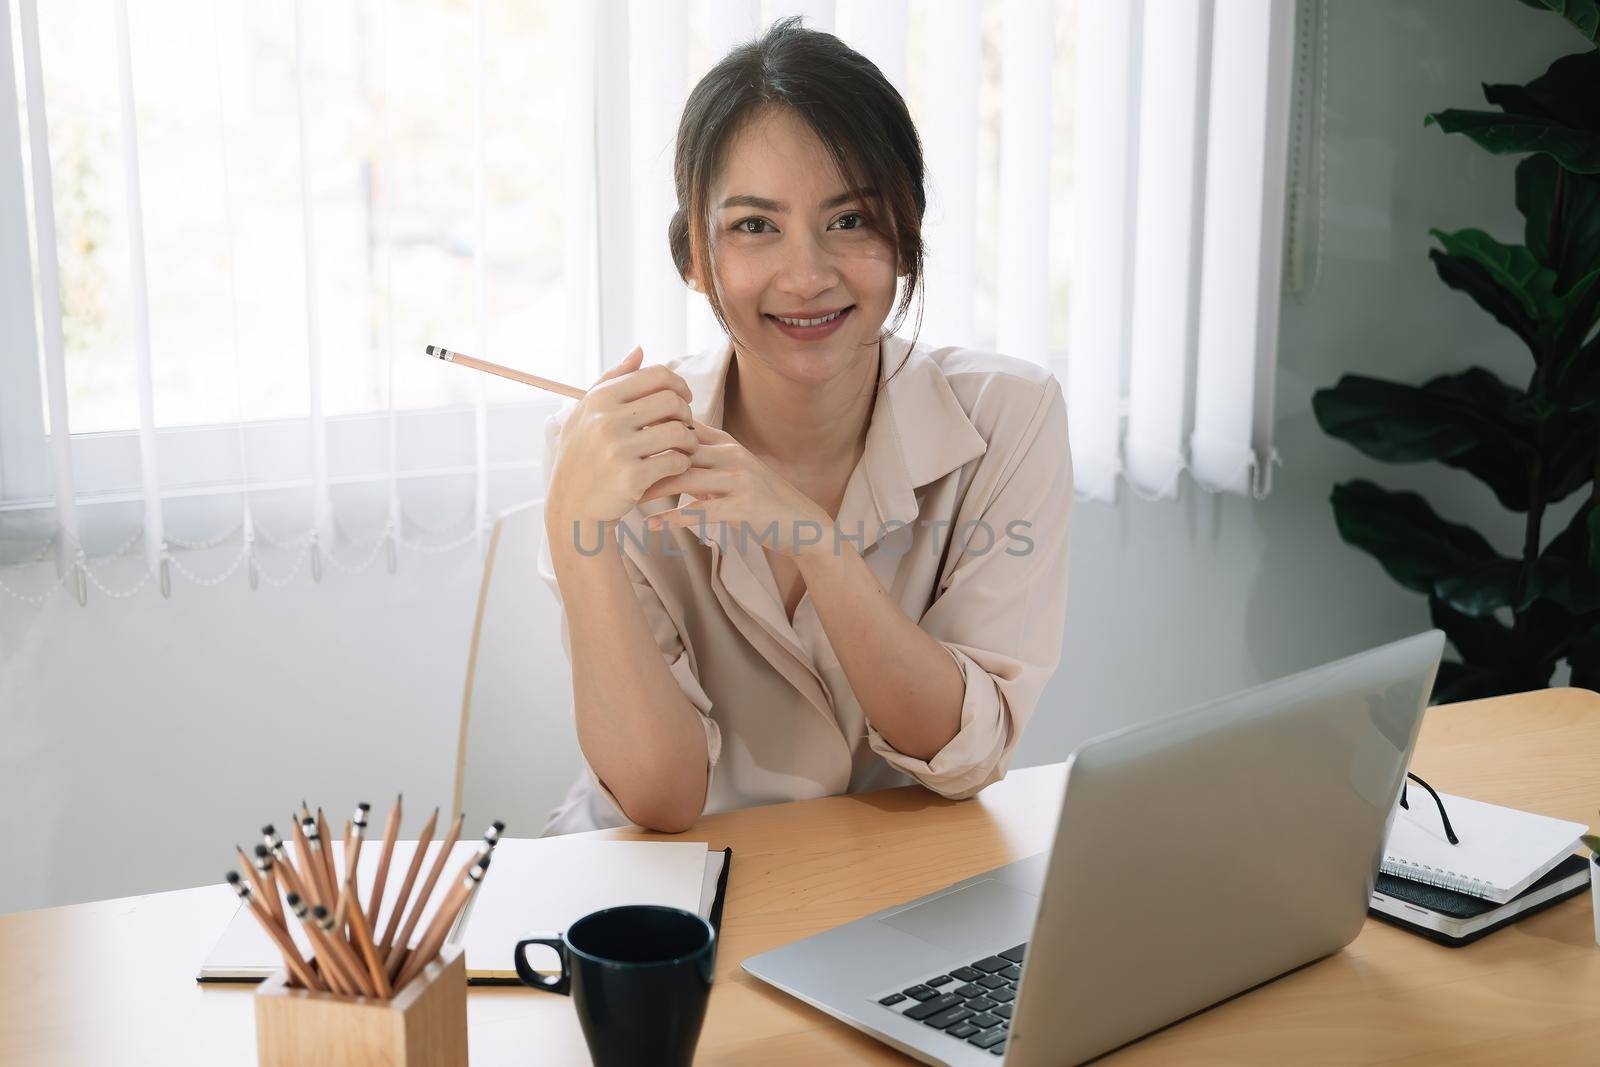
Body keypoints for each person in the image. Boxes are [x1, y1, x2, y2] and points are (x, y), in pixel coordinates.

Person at [536, 17, 1072, 835]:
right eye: (755, 226)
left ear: (906, 237)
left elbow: (964, 755)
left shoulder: (1011, 418)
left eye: (850, 220)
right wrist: (574, 533)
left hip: (884, 884)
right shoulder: (609, 451)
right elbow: (659, 797)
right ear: (694, 256)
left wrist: (812, 540)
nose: (807, 274)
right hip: (665, 904)